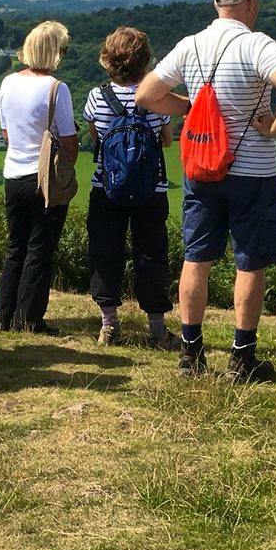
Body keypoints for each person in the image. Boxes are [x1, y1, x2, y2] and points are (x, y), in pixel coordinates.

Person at [136, 0, 276, 380]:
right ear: (249, 2)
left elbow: (146, 95)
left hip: (201, 167)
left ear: (217, 4)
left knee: (196, 258)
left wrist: (191, 106)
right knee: (249, 262)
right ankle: (242, 358)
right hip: (253, 171)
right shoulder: (258, 44)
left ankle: (191, 354)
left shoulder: (190, 45)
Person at [83, 27, 179, 349]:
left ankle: (108, 324)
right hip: (151, 189)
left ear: (108, 60)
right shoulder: (156, 98)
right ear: (145, 60)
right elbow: (167, 140)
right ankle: (157, 329)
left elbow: (97, 141)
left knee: (105, 251)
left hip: (106, 187)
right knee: (151, 254)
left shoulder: (97, 96)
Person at [0, 21, 78, 334]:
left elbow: (6, 131)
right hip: (44, 179)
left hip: (13, 173)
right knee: (40, 248)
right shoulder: (57, 88)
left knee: (16, 246)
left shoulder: (8, 82)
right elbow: (68, 140)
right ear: (56, 52)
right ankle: (29, 318)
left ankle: (4, 315)